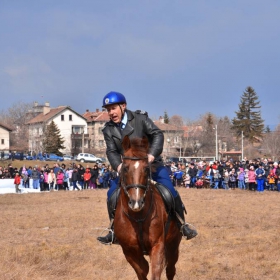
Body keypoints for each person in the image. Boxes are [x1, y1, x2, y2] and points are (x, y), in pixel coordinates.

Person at [97, 91, 197, 245]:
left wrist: (151, 155)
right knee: (111, 193)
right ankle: (113, 230)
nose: (111, 113)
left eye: (113, 108)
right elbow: (111, 151)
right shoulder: (108, 129)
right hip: (128, 169)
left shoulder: (140, 119)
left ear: (123, 106)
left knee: (169, 190)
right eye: (108, 109)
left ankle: (182, 225)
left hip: (152, 164)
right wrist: (118, 166)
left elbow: (158, 134)